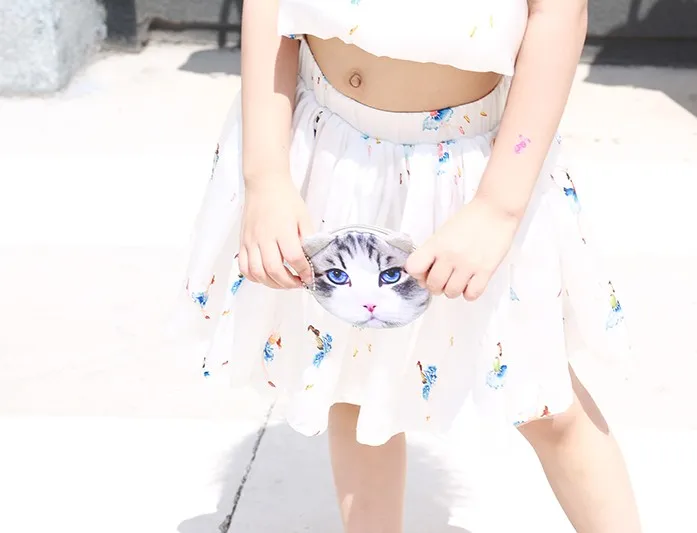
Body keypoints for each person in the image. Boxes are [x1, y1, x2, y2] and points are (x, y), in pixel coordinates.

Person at [182, 0, 641, 531]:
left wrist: (498, 206)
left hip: (473, 170)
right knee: (354, 384)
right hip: (333, 148)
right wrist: (266, 176)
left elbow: (559, 13)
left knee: (543, 396)